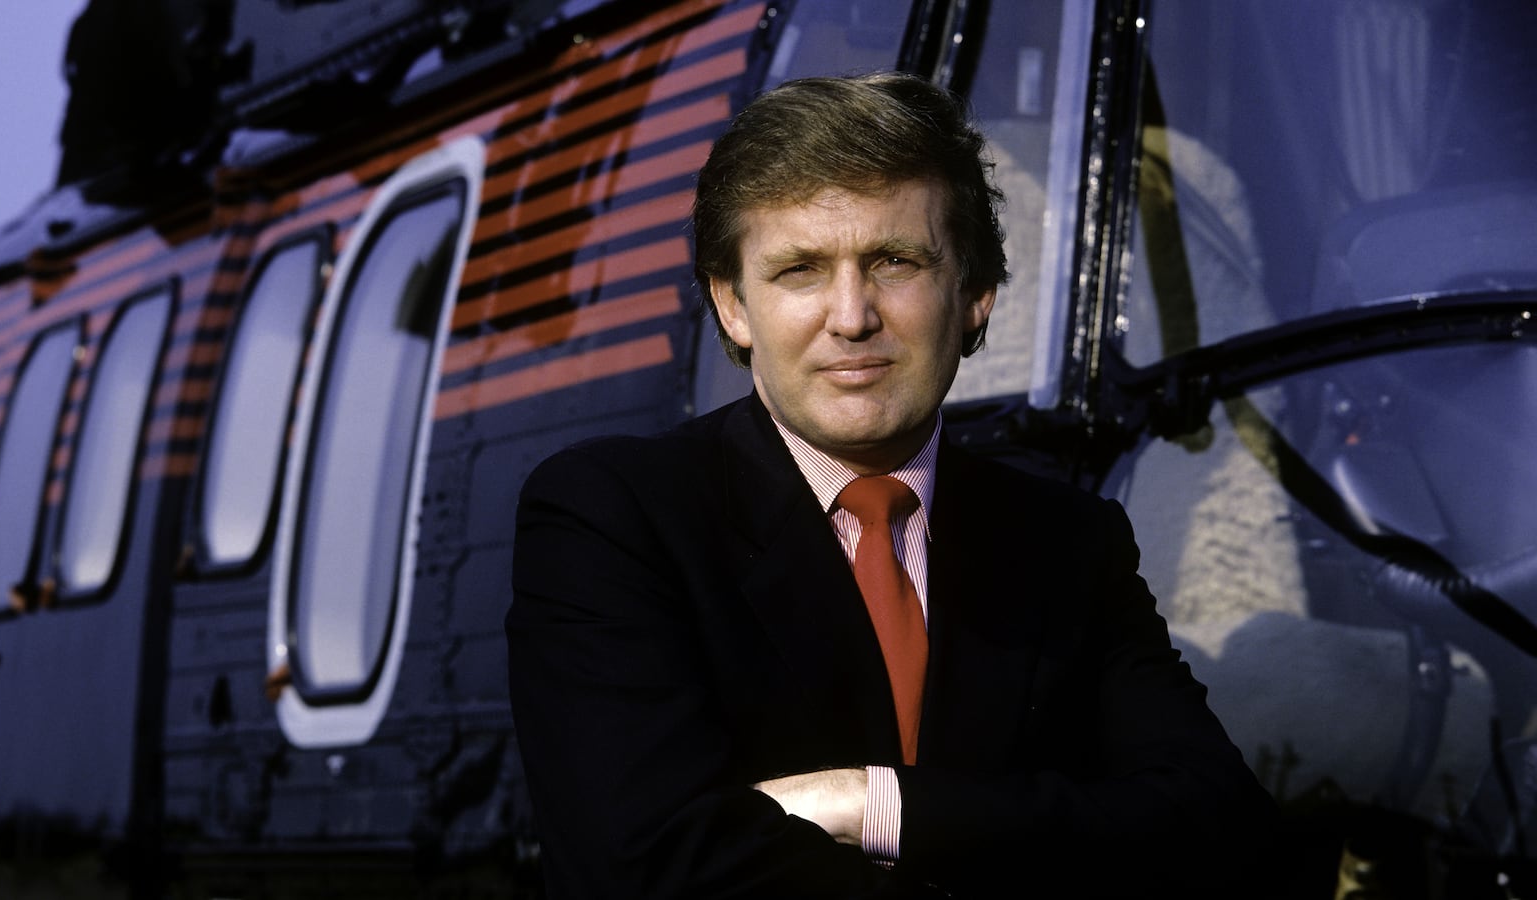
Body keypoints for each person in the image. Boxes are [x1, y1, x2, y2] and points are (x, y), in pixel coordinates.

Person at [506, 72, 1276, 898]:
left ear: (975, 295)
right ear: (732, 307)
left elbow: (1215, 826)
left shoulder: (1066, 543)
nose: (851, 316)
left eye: (894, 261)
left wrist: (874, 802)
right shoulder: (612, 517)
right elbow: (645, 867)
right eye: (800, 270)